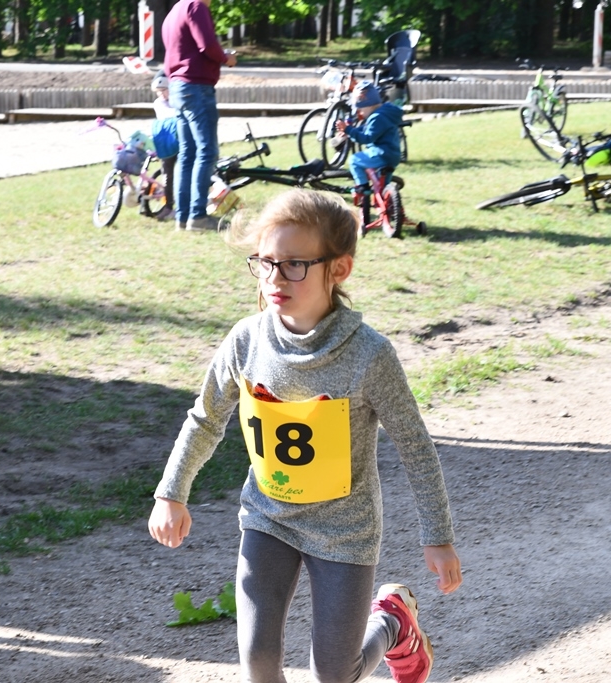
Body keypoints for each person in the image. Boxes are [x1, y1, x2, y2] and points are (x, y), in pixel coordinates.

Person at [148, 189, 461, 683]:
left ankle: (394, 622)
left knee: (335, 672)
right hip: (269, 518)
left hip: (345, 532)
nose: (275, 278)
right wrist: (172, 491)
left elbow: (415, 447)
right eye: (266, 262)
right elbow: (205, 418)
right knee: (258, 662)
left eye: (295, 264)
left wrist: (437, 537)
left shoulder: (370, 356)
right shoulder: (246, 340)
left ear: (339, 269)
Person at [161, 0, 237, 232]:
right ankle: (198, 216)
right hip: (196, 87)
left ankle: (183, 218)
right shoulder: (196, 6)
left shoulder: (175, 10)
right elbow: (207, 46)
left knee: (187, 154)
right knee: (207, 151)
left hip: (178, 86)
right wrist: (226, 58)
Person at [335, 81, 404, 200]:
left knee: (355, 160)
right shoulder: (385, 112)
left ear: (369, 105)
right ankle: (390, 207)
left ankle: (362, 187)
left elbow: (366, 138)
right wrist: (350, 131)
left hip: (380, 154)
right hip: (393, 155)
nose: (360, 113)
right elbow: (369, 129)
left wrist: (349, 130)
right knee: (383, 187)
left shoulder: (376, 117)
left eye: (360, 109)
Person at [149, 71, 177, 222]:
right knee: (168, 176)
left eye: (164, 90)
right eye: (159, 92)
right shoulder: (158, 103)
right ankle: (169, 207)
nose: (162, 94)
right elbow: (169, 115)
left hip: (179, 140)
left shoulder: (177, 99)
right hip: (167, 142)